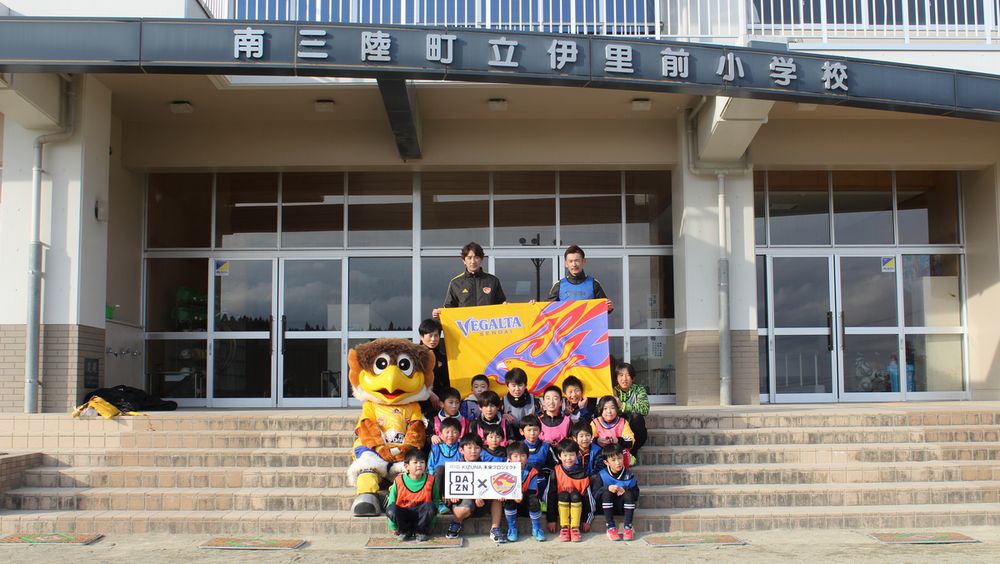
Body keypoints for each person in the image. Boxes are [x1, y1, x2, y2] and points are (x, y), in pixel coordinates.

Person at [445, 433, 506, 543]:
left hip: (482, 503)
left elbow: (491, 488)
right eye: (469, 448)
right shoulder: (455, 466)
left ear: (481, 450)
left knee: (497, 496)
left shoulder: (487, 467)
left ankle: (495, 528)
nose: (473, 451)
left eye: (477, 448)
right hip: (464, 503)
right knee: (464, 508)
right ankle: (456, 522)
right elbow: (451, 487)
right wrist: (451, 495)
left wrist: (492, 496)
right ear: (461, 450)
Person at [433, 242, 507, 318]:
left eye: (476, 257)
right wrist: (439, 315)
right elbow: (449, 308)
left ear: (481, 259)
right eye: (469, 258)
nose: (473, 261)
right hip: (465, 324)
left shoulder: (493, 281)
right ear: (464, 261)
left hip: (487, 324)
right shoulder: (456, 283)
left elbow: (501, 306)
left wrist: (507, 307)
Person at [545, 438, 594, 542]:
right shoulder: (556, 471)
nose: (568, 458)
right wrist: (551, 519)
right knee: (564, 495)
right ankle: (564, 527)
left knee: (575, 495)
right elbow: (550, 496)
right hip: (561, 505)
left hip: (578, 506)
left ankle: (575, 528)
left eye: (571, 455)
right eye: (565, 455)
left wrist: (586, 520)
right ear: (559, 456)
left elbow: (588, 499)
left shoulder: (583, 473)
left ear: (577, 455)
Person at [385, 450, 440, 542]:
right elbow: (391, 502)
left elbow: (436, 501)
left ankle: (420, 532)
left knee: (430, 506)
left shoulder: (431, 480)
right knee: (391, 509)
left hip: (421, 515)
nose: (419, 465)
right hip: (404, 514)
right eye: (415, 462)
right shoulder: (399, 480)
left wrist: (432, 524)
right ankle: (405, 531)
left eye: (422, 462)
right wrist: (393, 526)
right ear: (407, 466)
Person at [590, 443, 639, 541]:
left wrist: (625, 489)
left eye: (620, 458)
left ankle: (628, 527)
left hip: (622, 507)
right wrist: (607, 488)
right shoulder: (602, 475)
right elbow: (595, 495)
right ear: (606, 462)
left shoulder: (629, 475)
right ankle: (611, 527)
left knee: (629, 493)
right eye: (613, 460)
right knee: (607, 493)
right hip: (605, 507)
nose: (618, 462)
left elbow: (636, 495)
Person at [546, 245, 614, 312]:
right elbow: (546, 310)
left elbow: (604, 308)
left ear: (583, 261)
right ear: (566, 264)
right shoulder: (559, 285)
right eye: (571, 261)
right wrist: (538, 307)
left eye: (577, 261)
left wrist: (609, 308)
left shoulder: (594, 284)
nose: (574, 264)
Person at [504, 441, 546, 542]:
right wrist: (502, 495)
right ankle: (512, 528)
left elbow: (532, 491)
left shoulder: (532, 471)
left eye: (523, 456)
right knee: (509, 499)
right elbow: (501, 488)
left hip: (527, 505)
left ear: (527, 457)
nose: (519, 459)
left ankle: (536, 528)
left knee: (534, 499)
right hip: (512, 506)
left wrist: (519, 495)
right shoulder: (504, 470)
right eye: (515, 456)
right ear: (509, 458)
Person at [428, 417, 463, 513]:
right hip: (438, 482)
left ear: (459, 434)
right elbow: (430, 468)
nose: (450, 435)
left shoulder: (461, 449)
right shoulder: (436, 448)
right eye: (447, 432)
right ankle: (438, 501)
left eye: (454, 432)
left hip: (455, 483)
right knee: (439, 469)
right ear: (440, 434)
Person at [613, 362, 649, 457]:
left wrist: (622, 406)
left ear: (633, 378)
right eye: (621, 375)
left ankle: (632, 452)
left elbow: (645, 409)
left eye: (628, 375)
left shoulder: (638, 389)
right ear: (616, 378)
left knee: (637, 417)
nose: (624, 379)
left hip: (635, 432)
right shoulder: (612, 391)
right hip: (619, 430)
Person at [591, 395, 636, 468]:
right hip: (601, 454)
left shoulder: (623, 422)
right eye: (605, 408)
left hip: (617, 454)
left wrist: (617, 440)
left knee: (623, 453)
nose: (609, 411)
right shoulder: (595, 423)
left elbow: (630, 441)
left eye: (612, 408)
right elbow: (588, 438)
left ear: (617, 409)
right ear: (600, 410)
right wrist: (597, 441)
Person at [418, 318, 450, 402]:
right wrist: (430, 393)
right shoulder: (416, 356)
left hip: (441, 401)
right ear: (421, 337)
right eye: (430, 335)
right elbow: (413, 381)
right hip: (421, 401)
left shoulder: (443, 357)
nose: (433, 339)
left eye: (436, 335)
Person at [503, 368, 540, 436]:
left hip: (531, 437)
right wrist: (501, 416)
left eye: (520, 385)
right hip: (510, 438)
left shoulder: (535, 401)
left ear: (525, 385)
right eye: (513, 386)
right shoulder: (502, 402)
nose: (517, 389)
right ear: (507, 386)